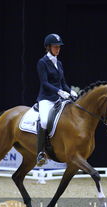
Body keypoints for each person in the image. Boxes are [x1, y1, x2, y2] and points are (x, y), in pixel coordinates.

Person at [36, 33, 78, 166]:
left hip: (60, 99)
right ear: (48, 47)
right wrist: (59, 91)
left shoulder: (58, 63)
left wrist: (69, 90)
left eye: (59, 47)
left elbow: (63, 83)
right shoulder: (42, 62)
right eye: (55, 47)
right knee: (43, 122)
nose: (58, 49)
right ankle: (40, 153)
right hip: (46, 98)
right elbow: (44, 83)